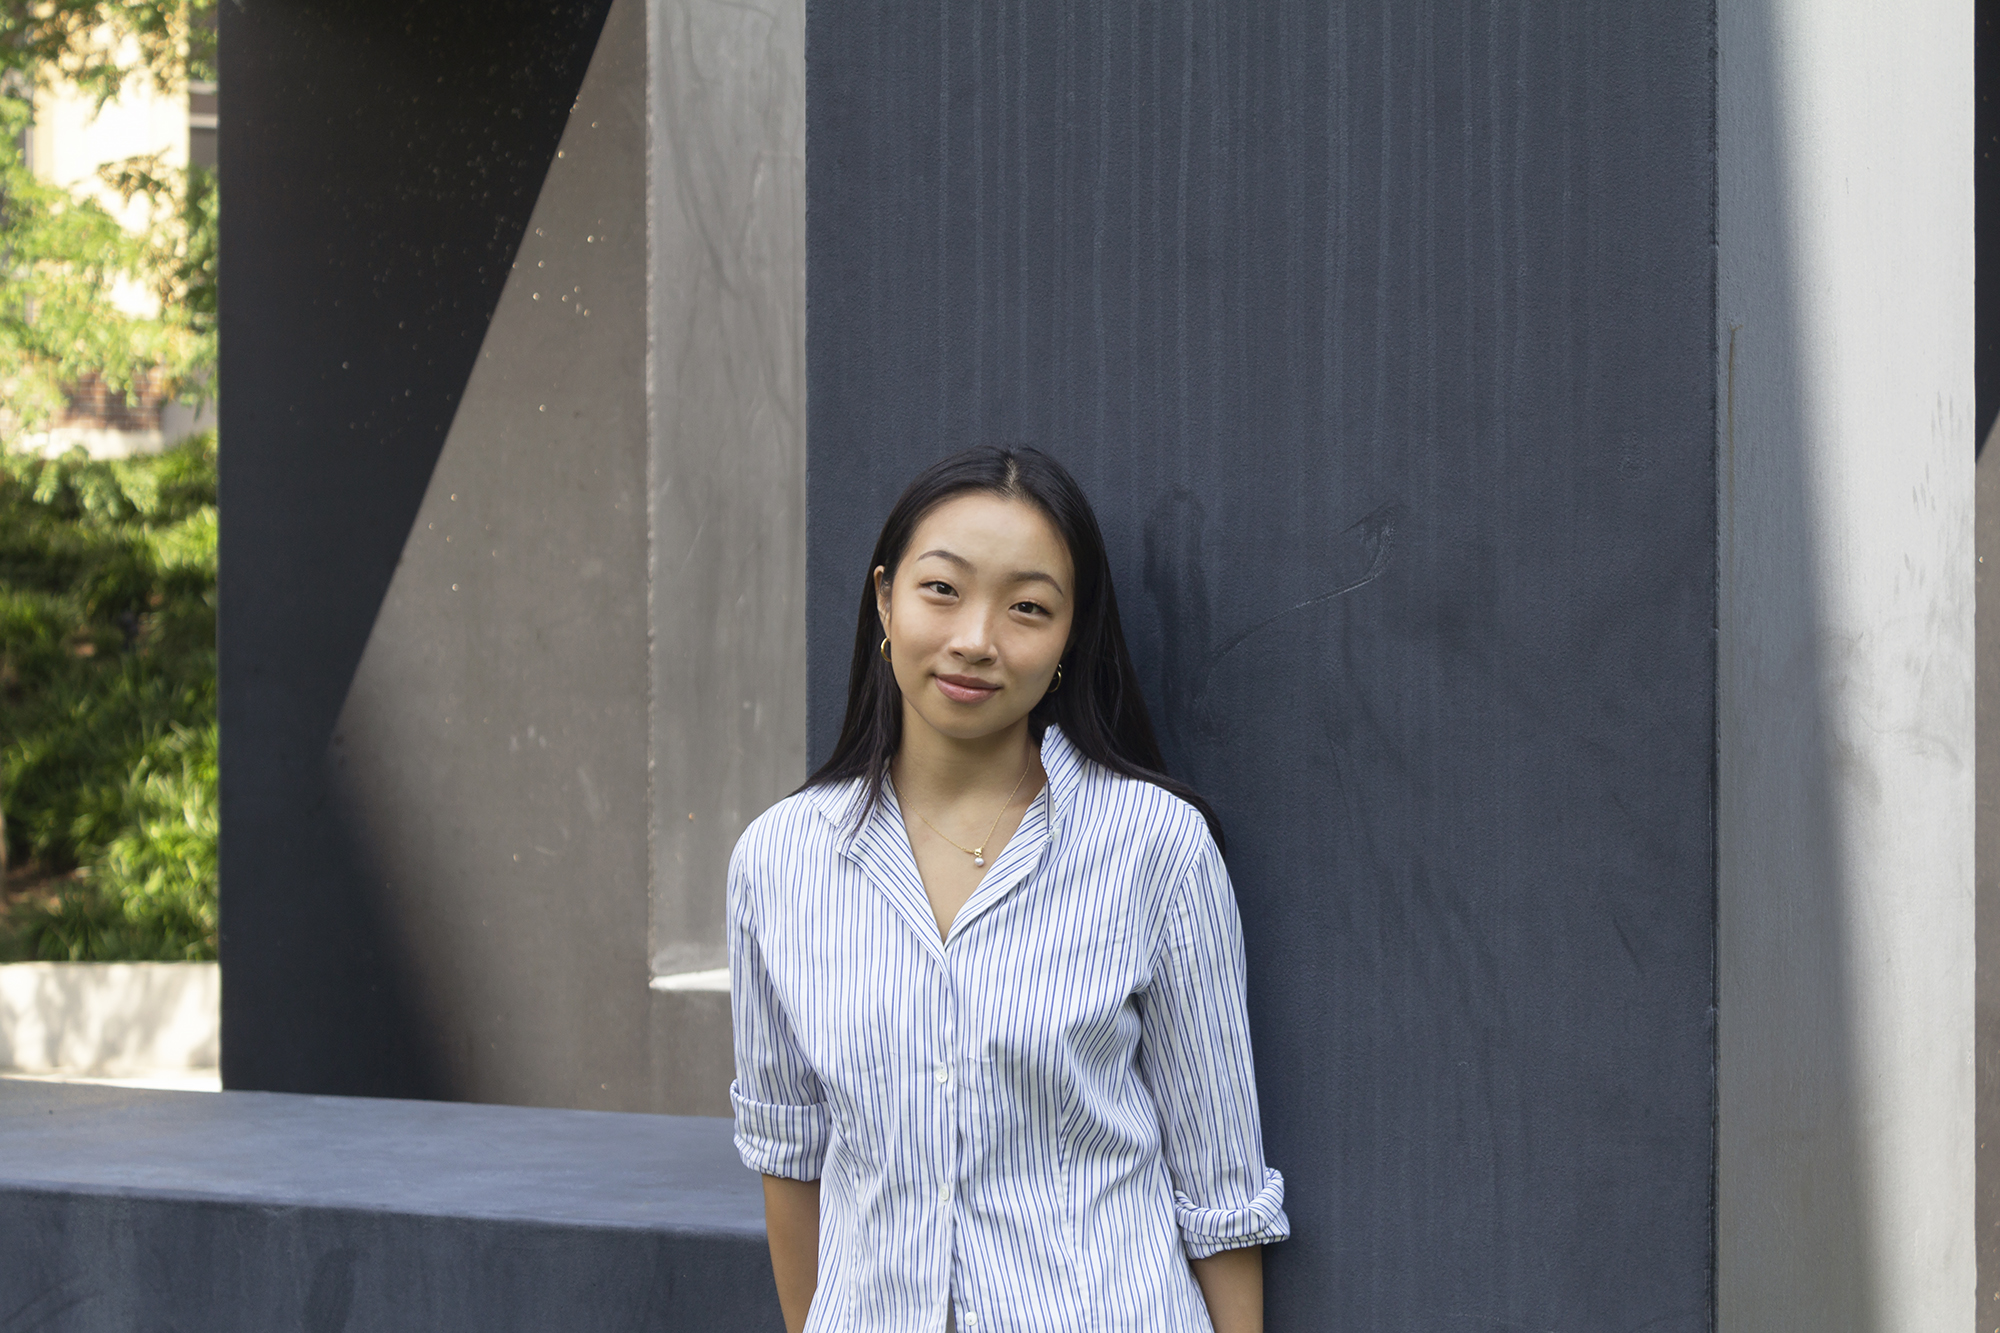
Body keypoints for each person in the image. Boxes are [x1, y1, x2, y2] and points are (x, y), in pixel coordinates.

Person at [728, 447, 1287, 1333]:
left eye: (1028, 607)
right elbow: (788, 1154)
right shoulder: (779, 860)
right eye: (942, 590)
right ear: (884, 599)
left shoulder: (1153, 846)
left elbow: (1221, 1184)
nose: (977, 639)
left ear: (1070, 636)